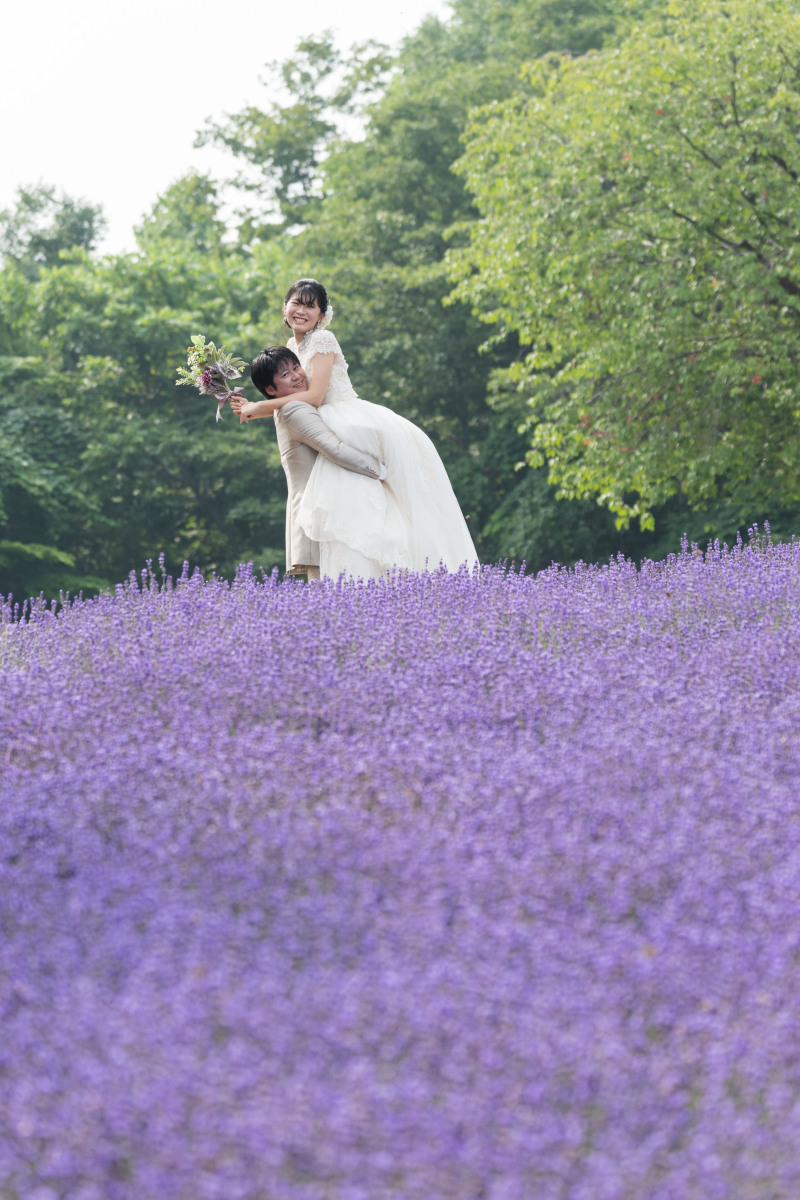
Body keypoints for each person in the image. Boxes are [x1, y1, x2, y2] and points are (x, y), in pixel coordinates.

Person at [232, 278, 478, 581]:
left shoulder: (323, 340)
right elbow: (291, 401)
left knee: (384, 492)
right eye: (296, 303)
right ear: (284, 307)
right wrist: (256, 405)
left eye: (311, 306)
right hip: (322, 420)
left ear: (321, 316)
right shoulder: (291, 348)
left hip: (344, 416)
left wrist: (260, 407)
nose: (301, 311)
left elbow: (315, 397)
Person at [236, 346, 386, 580]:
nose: (297, 375)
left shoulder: (283, 408)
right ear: (270, 389)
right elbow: (336, 450)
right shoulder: (294, 409)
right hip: (320, 517)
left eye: (296, 367)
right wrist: (383, 472)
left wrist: (256, 407)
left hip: (321, 516)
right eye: (285, 374)